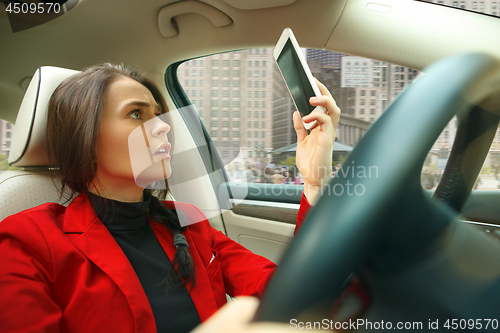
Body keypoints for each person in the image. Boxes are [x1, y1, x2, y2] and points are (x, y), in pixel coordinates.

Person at [0, 64, 340, 332]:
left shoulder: (187, 221)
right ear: (85, 136)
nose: (162, 126)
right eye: (136, 113)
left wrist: (314, 179)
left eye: (159, 115)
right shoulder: (27, 241)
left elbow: (292, 291)